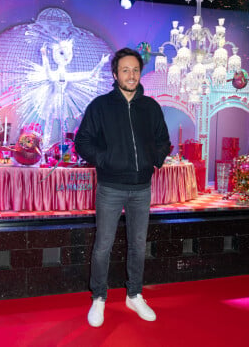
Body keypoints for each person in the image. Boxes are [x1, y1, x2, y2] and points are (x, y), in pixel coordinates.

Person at [75, 47, 171, 327]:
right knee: (103, 245)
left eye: (135, 70)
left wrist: (156, 158)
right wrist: (107, 160)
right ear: (115, 74)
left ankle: (134, 294)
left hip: (142, 187)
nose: (131, 75)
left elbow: (162, 139)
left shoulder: (150, 106)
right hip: (110, 187)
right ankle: (99, 298)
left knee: (138, 245)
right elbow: (83, 142)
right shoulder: (100, 106)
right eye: (125, 70)